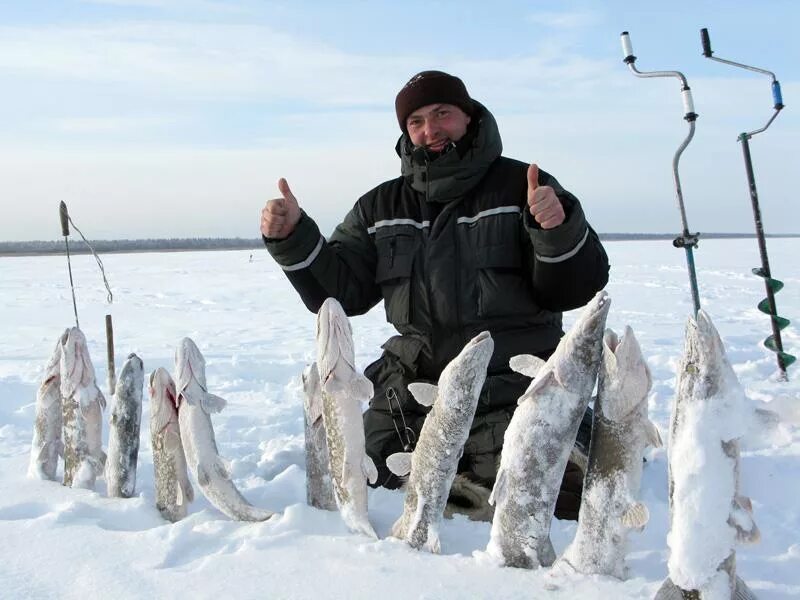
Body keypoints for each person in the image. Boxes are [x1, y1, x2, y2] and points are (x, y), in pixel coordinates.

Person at [260, 70, 609, 520]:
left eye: (442, 114)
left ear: (468, 117)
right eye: (417, 122)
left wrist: (557, 230)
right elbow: (341, 294)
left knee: (544, 491)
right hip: (411, 380)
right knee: (363, 475)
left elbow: (573, 286)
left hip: (510, 382)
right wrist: (293, 238)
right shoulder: (381, 206)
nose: (431, 130)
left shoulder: (523, 186)